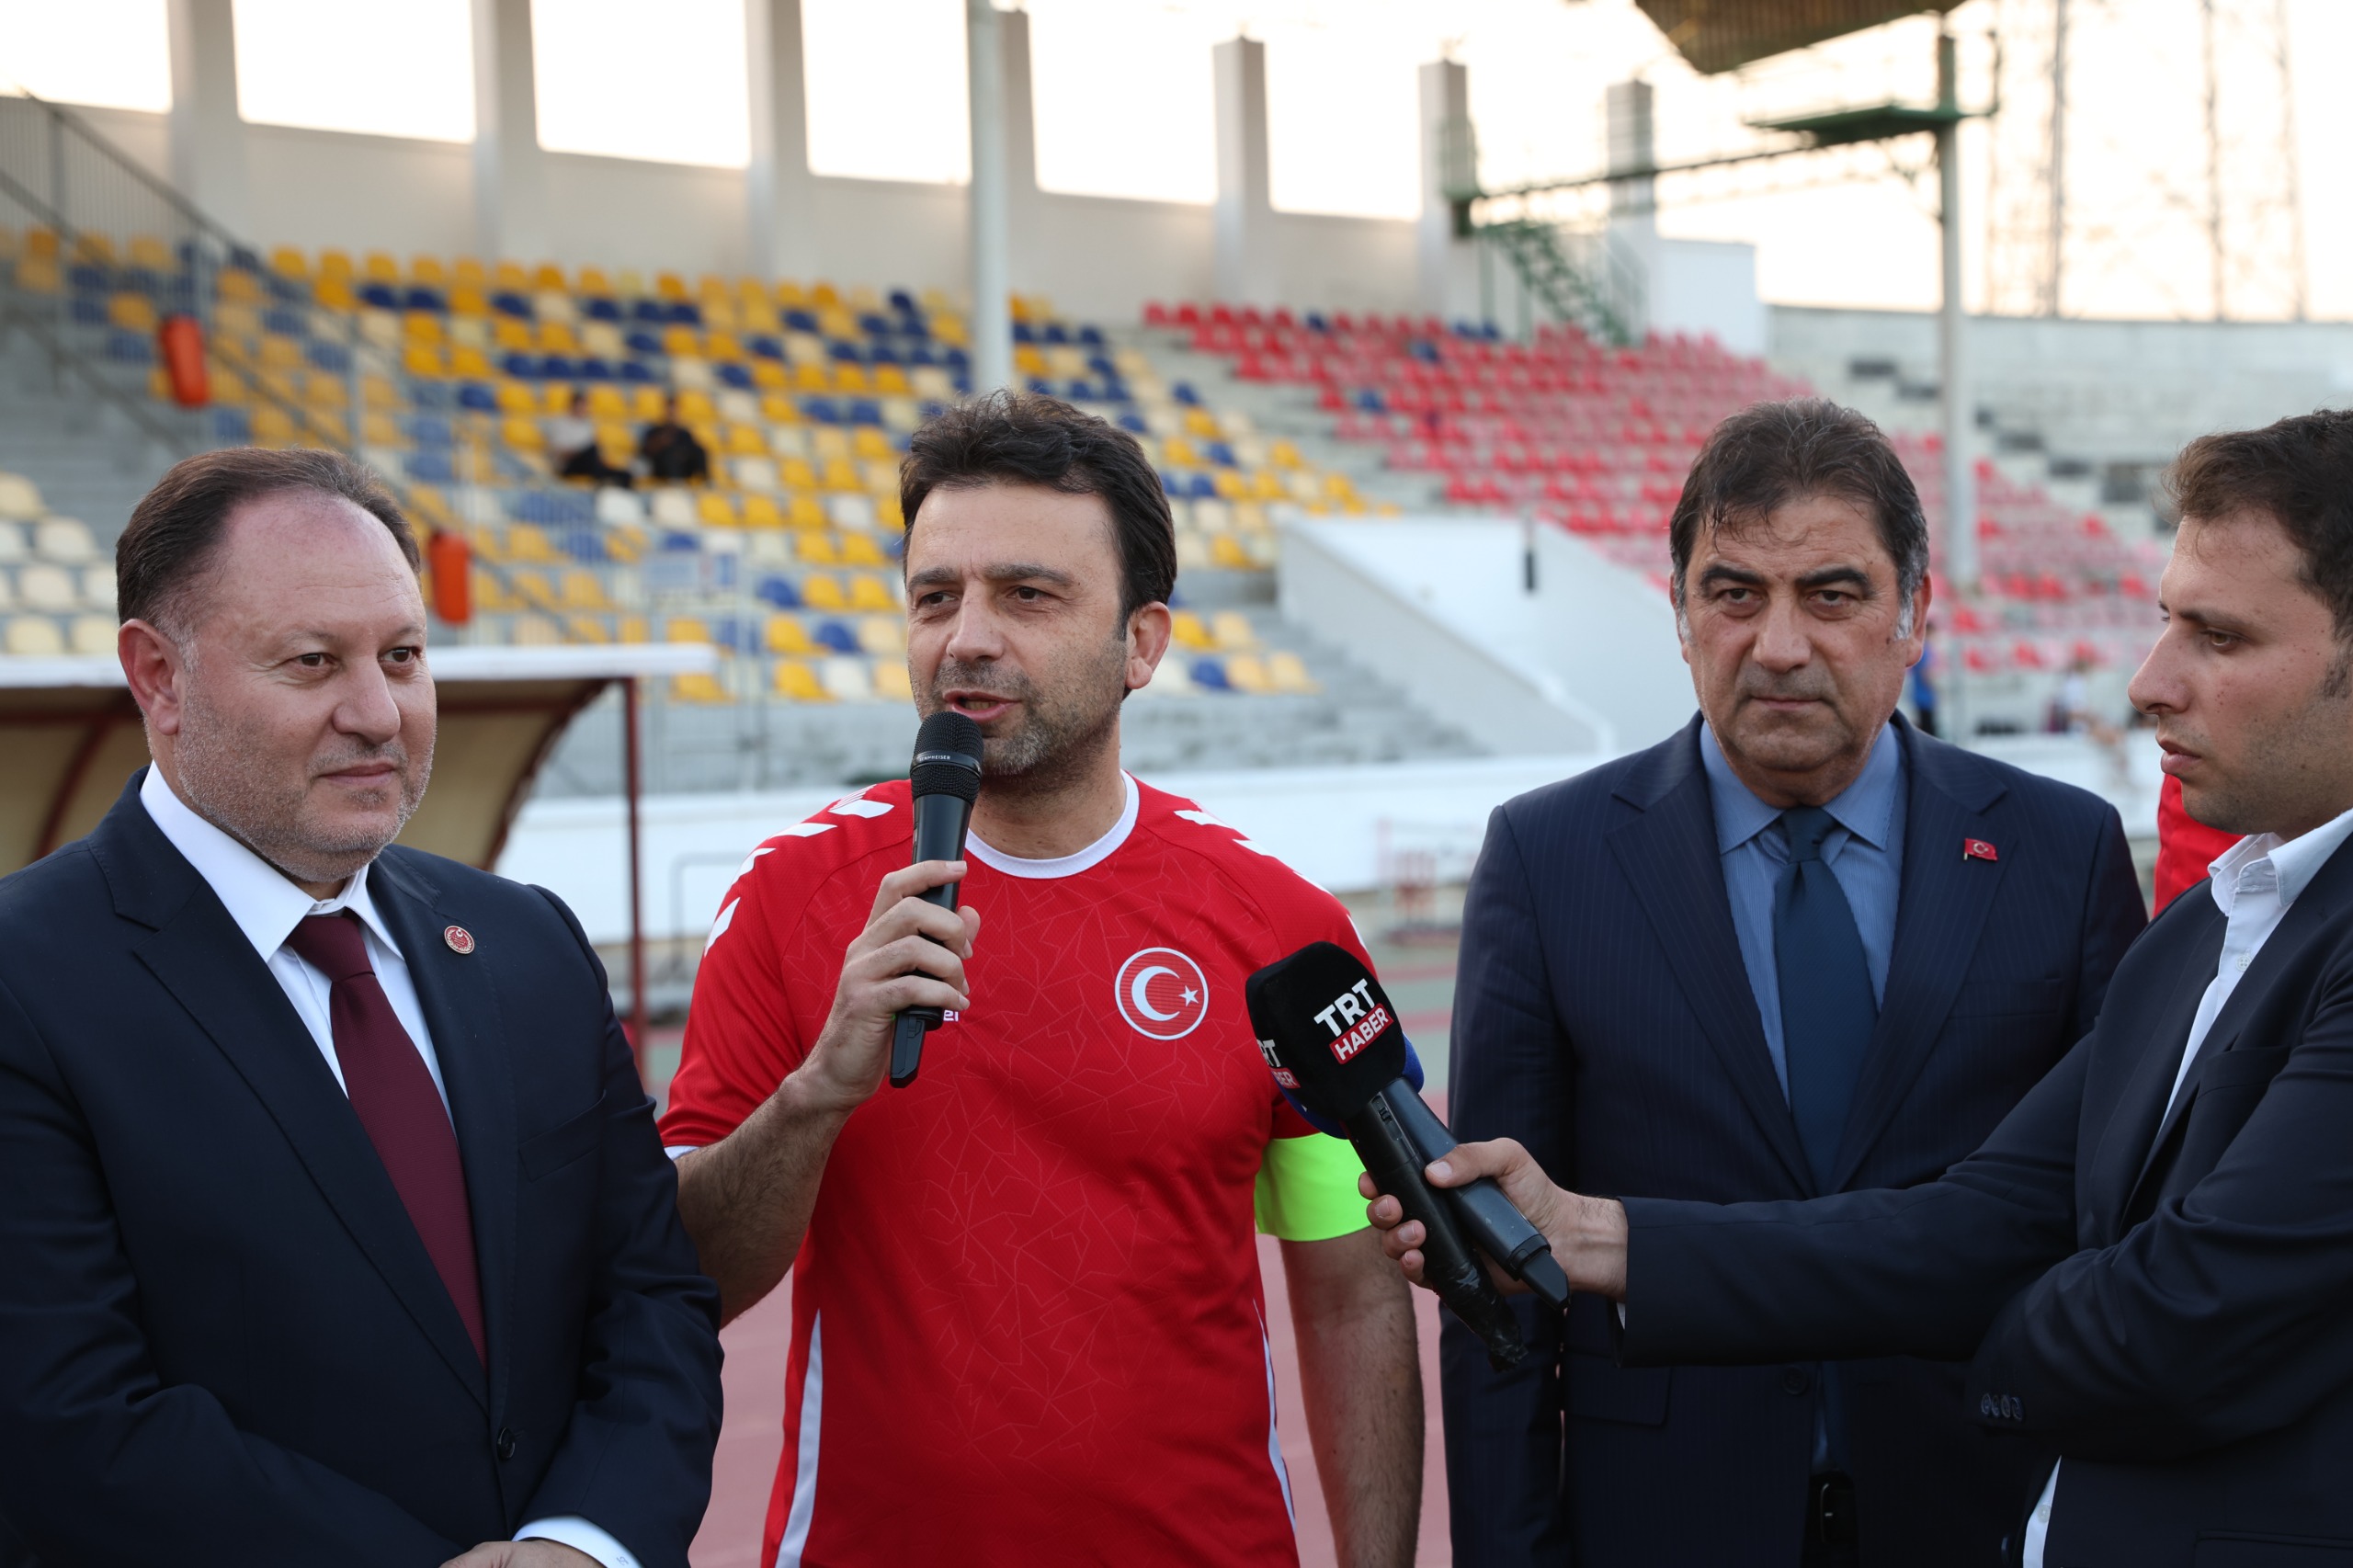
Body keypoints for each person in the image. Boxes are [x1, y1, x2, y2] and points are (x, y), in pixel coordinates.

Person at [1372, 408, 2353, 1568]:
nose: (2147, 682)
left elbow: (2167, 1302)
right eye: (1734, 594)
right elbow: (1996, 1214)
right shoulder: (2214, 918)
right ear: (1678, 612)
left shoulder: (2070, 850)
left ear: (1913, 614)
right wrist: (1584, 1233)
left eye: (2219, 636)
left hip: (1972, 1504)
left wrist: (1943, 1348)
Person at [661, 391, 1422, 1568]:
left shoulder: (1283, 928)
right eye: (935, 596)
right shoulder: (788, 899)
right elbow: (683, 1281)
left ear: (1141, 644)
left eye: (1026, 594)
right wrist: (815, 1095)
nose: (966, 637)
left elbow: (1351, 1289)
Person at [0, 448, 722, 1566]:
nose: (379, 712)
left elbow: (651, 1298)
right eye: (312, 661)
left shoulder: (528, 941)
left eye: (403, 655)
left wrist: (584, 1541)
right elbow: (65, 1416)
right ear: (158, 677)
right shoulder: (26, 978)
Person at [551, 389, 631, 487]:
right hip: (570, 465)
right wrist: (580, 452)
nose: (583, 409)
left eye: (585, 406)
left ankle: (607, 480)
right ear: (572, 405)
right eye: (580, 406)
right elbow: (561, 453)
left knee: (625, 475)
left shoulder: (587, 425)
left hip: (589, 464)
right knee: (592, 450)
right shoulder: (561, 423)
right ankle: (603, 479)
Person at [638, 393, 710, 483]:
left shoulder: (684, 433)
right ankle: (675, 482)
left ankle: (705, 480)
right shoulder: (655, 431)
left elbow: (692, 449)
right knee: (670, 454)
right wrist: (660, 443)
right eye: (670, 410)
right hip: (661, 468)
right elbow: (644, 452)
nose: (672, 413)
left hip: (684, 468)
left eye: (674, 410)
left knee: (699, 450)